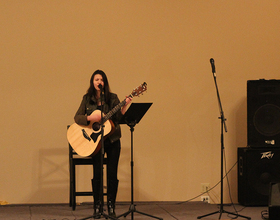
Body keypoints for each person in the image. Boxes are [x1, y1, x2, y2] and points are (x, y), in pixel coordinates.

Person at [74, 70, 132, 218]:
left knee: (112, 173)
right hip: (96, 143)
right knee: (97, 173)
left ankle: (111, 205)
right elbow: (77, 117)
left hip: (112, 140)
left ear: (104, 82)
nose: (99, 82)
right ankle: (97, 206)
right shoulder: (87, 99)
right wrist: (90, 117)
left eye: (101, 79)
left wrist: (124, 106)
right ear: (92, 82)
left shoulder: (112, 98)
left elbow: (118, 118)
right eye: (96, 79)